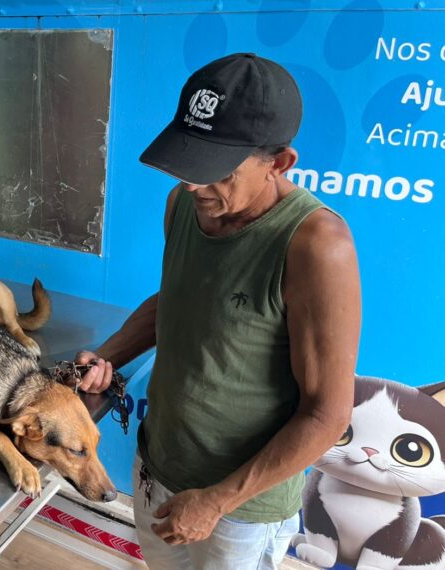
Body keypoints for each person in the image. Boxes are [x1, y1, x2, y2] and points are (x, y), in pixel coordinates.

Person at [74, 53, 361, 569]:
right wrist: (108, 356)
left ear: (279, 164)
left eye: (215, 171)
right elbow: (176, 300)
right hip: (157, 465)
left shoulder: (316, 245)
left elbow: (326, 415)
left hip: (237, 509)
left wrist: (217, 500)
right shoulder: (184, 204)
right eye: (188, 162)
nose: (192, 185)